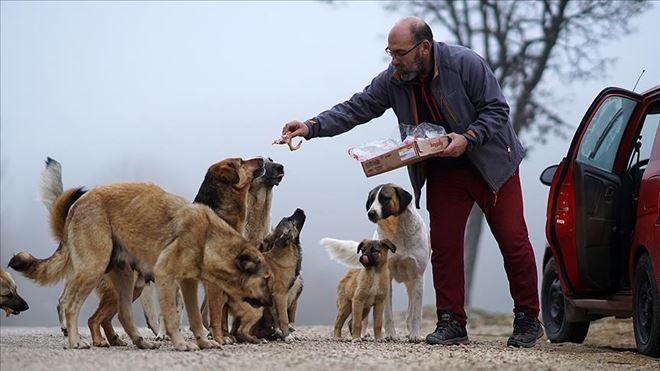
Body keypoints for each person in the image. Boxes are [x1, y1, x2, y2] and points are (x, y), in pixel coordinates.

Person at [275, 16, 543, 348]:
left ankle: (528, 320)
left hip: (492, 163)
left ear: (424, 47)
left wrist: (469, 137)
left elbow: (497, 110)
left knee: (513, 242)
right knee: (443, 247)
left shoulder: (467, 64)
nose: (394, 61)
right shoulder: (395, 79)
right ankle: (451, 322)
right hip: (445, 169)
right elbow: (357, 107)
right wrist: (312, 126)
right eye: (391, 52)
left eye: (400, 53)